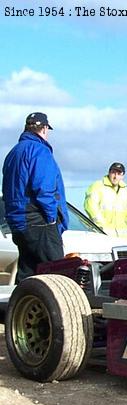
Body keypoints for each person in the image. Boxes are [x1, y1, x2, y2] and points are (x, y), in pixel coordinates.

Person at [2, 112, 69, 284]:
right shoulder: (40, 151)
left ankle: (20, 309)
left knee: (27, 274)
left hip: (18, 222)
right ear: (45, 128)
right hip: (39, 221)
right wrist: (52, 218)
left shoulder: (12, 154)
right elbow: (44, 188)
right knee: (57, 277)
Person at [84, 162, 127, 239]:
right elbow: (90, 207)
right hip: (101, 235)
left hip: (122, 238)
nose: (115, 176)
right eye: (113, 173)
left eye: (119, 174)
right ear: (109, 173)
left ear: (123, 176)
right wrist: (101, 227)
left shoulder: (125, 191)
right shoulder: (97, 186)